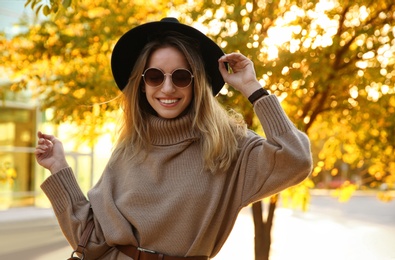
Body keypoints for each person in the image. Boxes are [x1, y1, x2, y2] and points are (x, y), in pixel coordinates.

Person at [35, 17, 312, 260]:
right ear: (142, 85)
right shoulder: (128, 149)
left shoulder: (229, 147)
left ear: (197, 83)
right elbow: (91, 240)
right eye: (154, 76)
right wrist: (58, 167)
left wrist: (253, 88)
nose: (167, 88)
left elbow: (296, 159)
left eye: (181, 77)